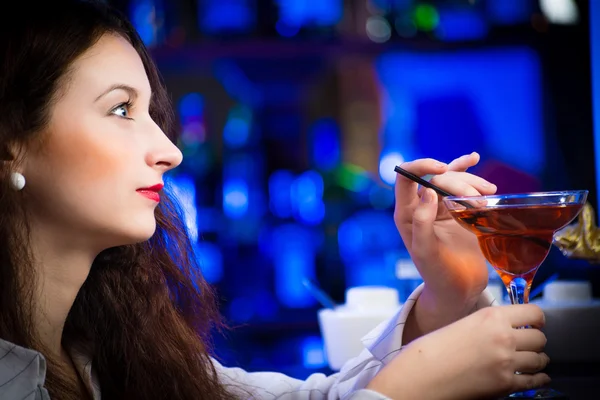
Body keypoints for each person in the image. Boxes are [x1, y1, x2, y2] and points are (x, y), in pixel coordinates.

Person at [0, 1, 550, 399]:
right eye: (122, 110)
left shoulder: (110, 355)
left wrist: (446, 294)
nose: (169, 150)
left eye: (153, 115)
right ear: (9, 146)